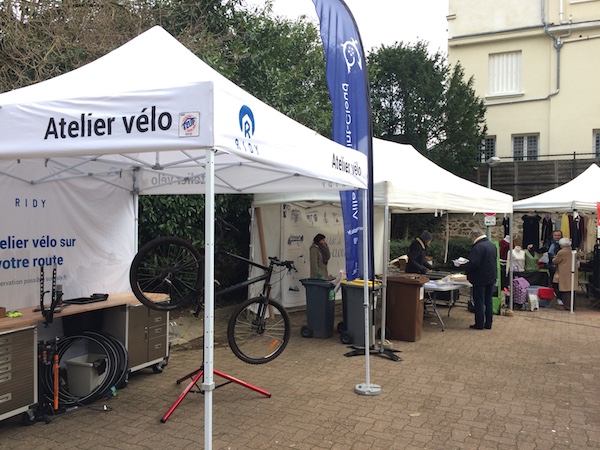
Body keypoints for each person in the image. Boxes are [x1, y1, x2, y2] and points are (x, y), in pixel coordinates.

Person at [462, 228, 497, 330]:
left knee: (479, 301)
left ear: (474, 236)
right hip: (491, 277)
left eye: (471, 238)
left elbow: (473, 263)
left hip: (480, 278)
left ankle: (479, 323)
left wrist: (463, 266)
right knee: (488, 300)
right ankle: (488, 323)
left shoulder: (478, 247)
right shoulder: (491, 245)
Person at [551, 237, 578, 310]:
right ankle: (572, 305)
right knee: (572, 288)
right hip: (572, 270)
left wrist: (553, 258)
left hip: (564, 271)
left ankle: (567, 306)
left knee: (565, 289)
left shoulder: (562, 252)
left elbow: (555, 261)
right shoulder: (572, 251)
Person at [547, 230, 564, 306]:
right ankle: (557, 295)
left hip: (560, 267)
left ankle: (560, 298)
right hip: (551, 266)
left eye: (558, 235)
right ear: (553, 236)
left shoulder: (563, 244)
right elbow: (543, 249)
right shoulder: (550, 243)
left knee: (559, 283)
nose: (557, 237)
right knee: (553, 282)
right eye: (555, 235)